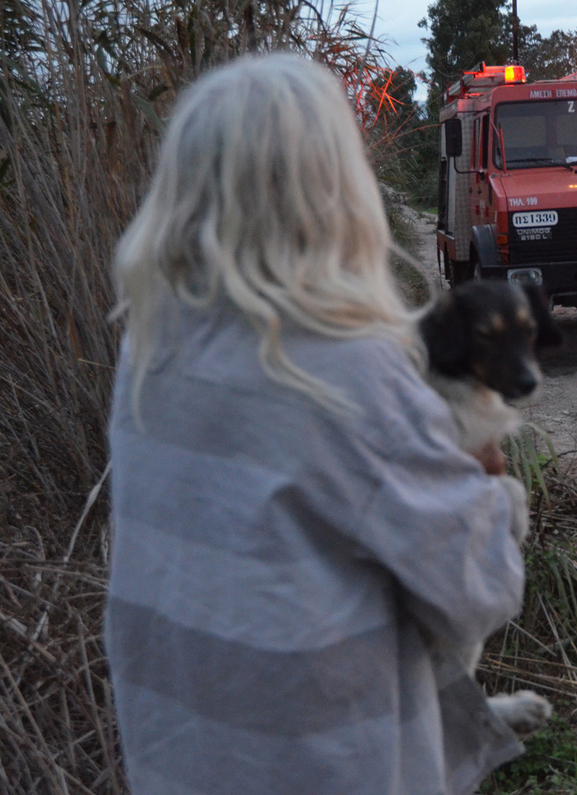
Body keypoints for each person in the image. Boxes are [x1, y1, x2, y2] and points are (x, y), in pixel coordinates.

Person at [105, 53, 530, 795]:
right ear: (335, 189)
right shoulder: (341, 367)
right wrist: (490, 483)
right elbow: (478, 585)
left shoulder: (153, 347)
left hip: (179, 757)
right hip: (321, 763)